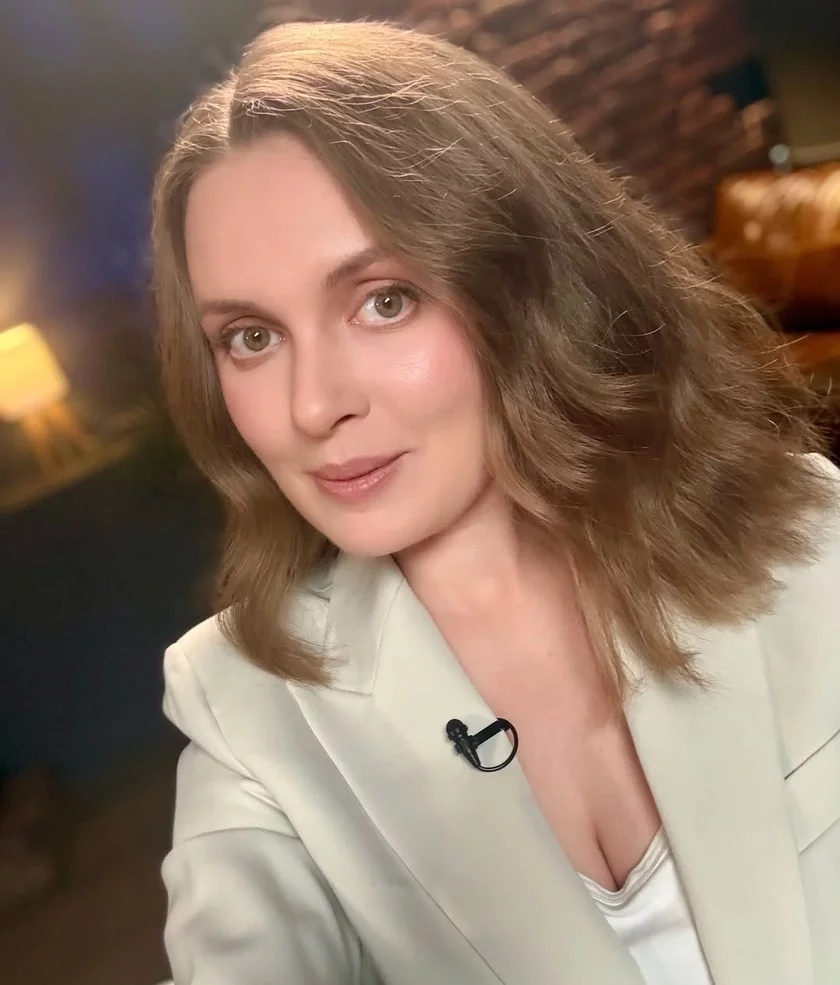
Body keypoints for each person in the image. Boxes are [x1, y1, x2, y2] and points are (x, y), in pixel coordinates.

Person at [152, 19, 840, 985]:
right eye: (252, 338)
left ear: (523, 281)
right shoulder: (245, 710)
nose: (313, 406)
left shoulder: (807, 532)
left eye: (383, 299)